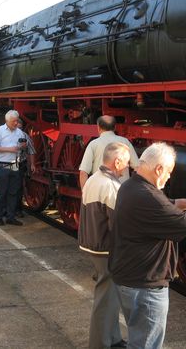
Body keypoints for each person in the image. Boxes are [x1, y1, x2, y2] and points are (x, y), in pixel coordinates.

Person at [109, 142, 186, 349]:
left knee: (137, 338)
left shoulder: (131, 186)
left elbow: (164, 205)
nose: (169, 176)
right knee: (146, 344)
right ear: (159, 169)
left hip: (128, 278)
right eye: (168, 172)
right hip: (145, 285)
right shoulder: (148, 196)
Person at [79, 142, 131, 349]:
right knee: (105, 298)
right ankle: (100, 344)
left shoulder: (94, 179)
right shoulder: (111, 186)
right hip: (106, 247)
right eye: (126, 163)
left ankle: (113, 339)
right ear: (117, 162)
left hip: (94, 243)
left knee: (110, 297)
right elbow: (118, 223)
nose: (127, 167)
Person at [79, 115, 139, 188]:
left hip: (101, 191)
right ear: (114, 127)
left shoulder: (93, 144)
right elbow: (137, 167)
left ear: (98, 127)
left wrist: (85, 194)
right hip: (122, 192)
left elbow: (83, 173)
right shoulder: (125, 142)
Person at [0, 110, 26, 226]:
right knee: (2, 191)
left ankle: (11, 216)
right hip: (3, 163)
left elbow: (22, 147)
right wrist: (10, 149)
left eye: (17, 121)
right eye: (13, 121)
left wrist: (23, 146)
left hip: (15, 163)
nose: (16, 123)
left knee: (13, 192)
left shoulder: (19, 132)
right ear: (7, 121)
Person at [15, 119, 36, 218]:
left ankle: (18, 209)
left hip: (20, 163)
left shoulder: (25, 136)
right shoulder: (6, 135)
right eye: (17, 126)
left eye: (20, 127)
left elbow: (31, 150)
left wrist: (32, 164)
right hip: (8, 163)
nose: (18, 128)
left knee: (18, 187)